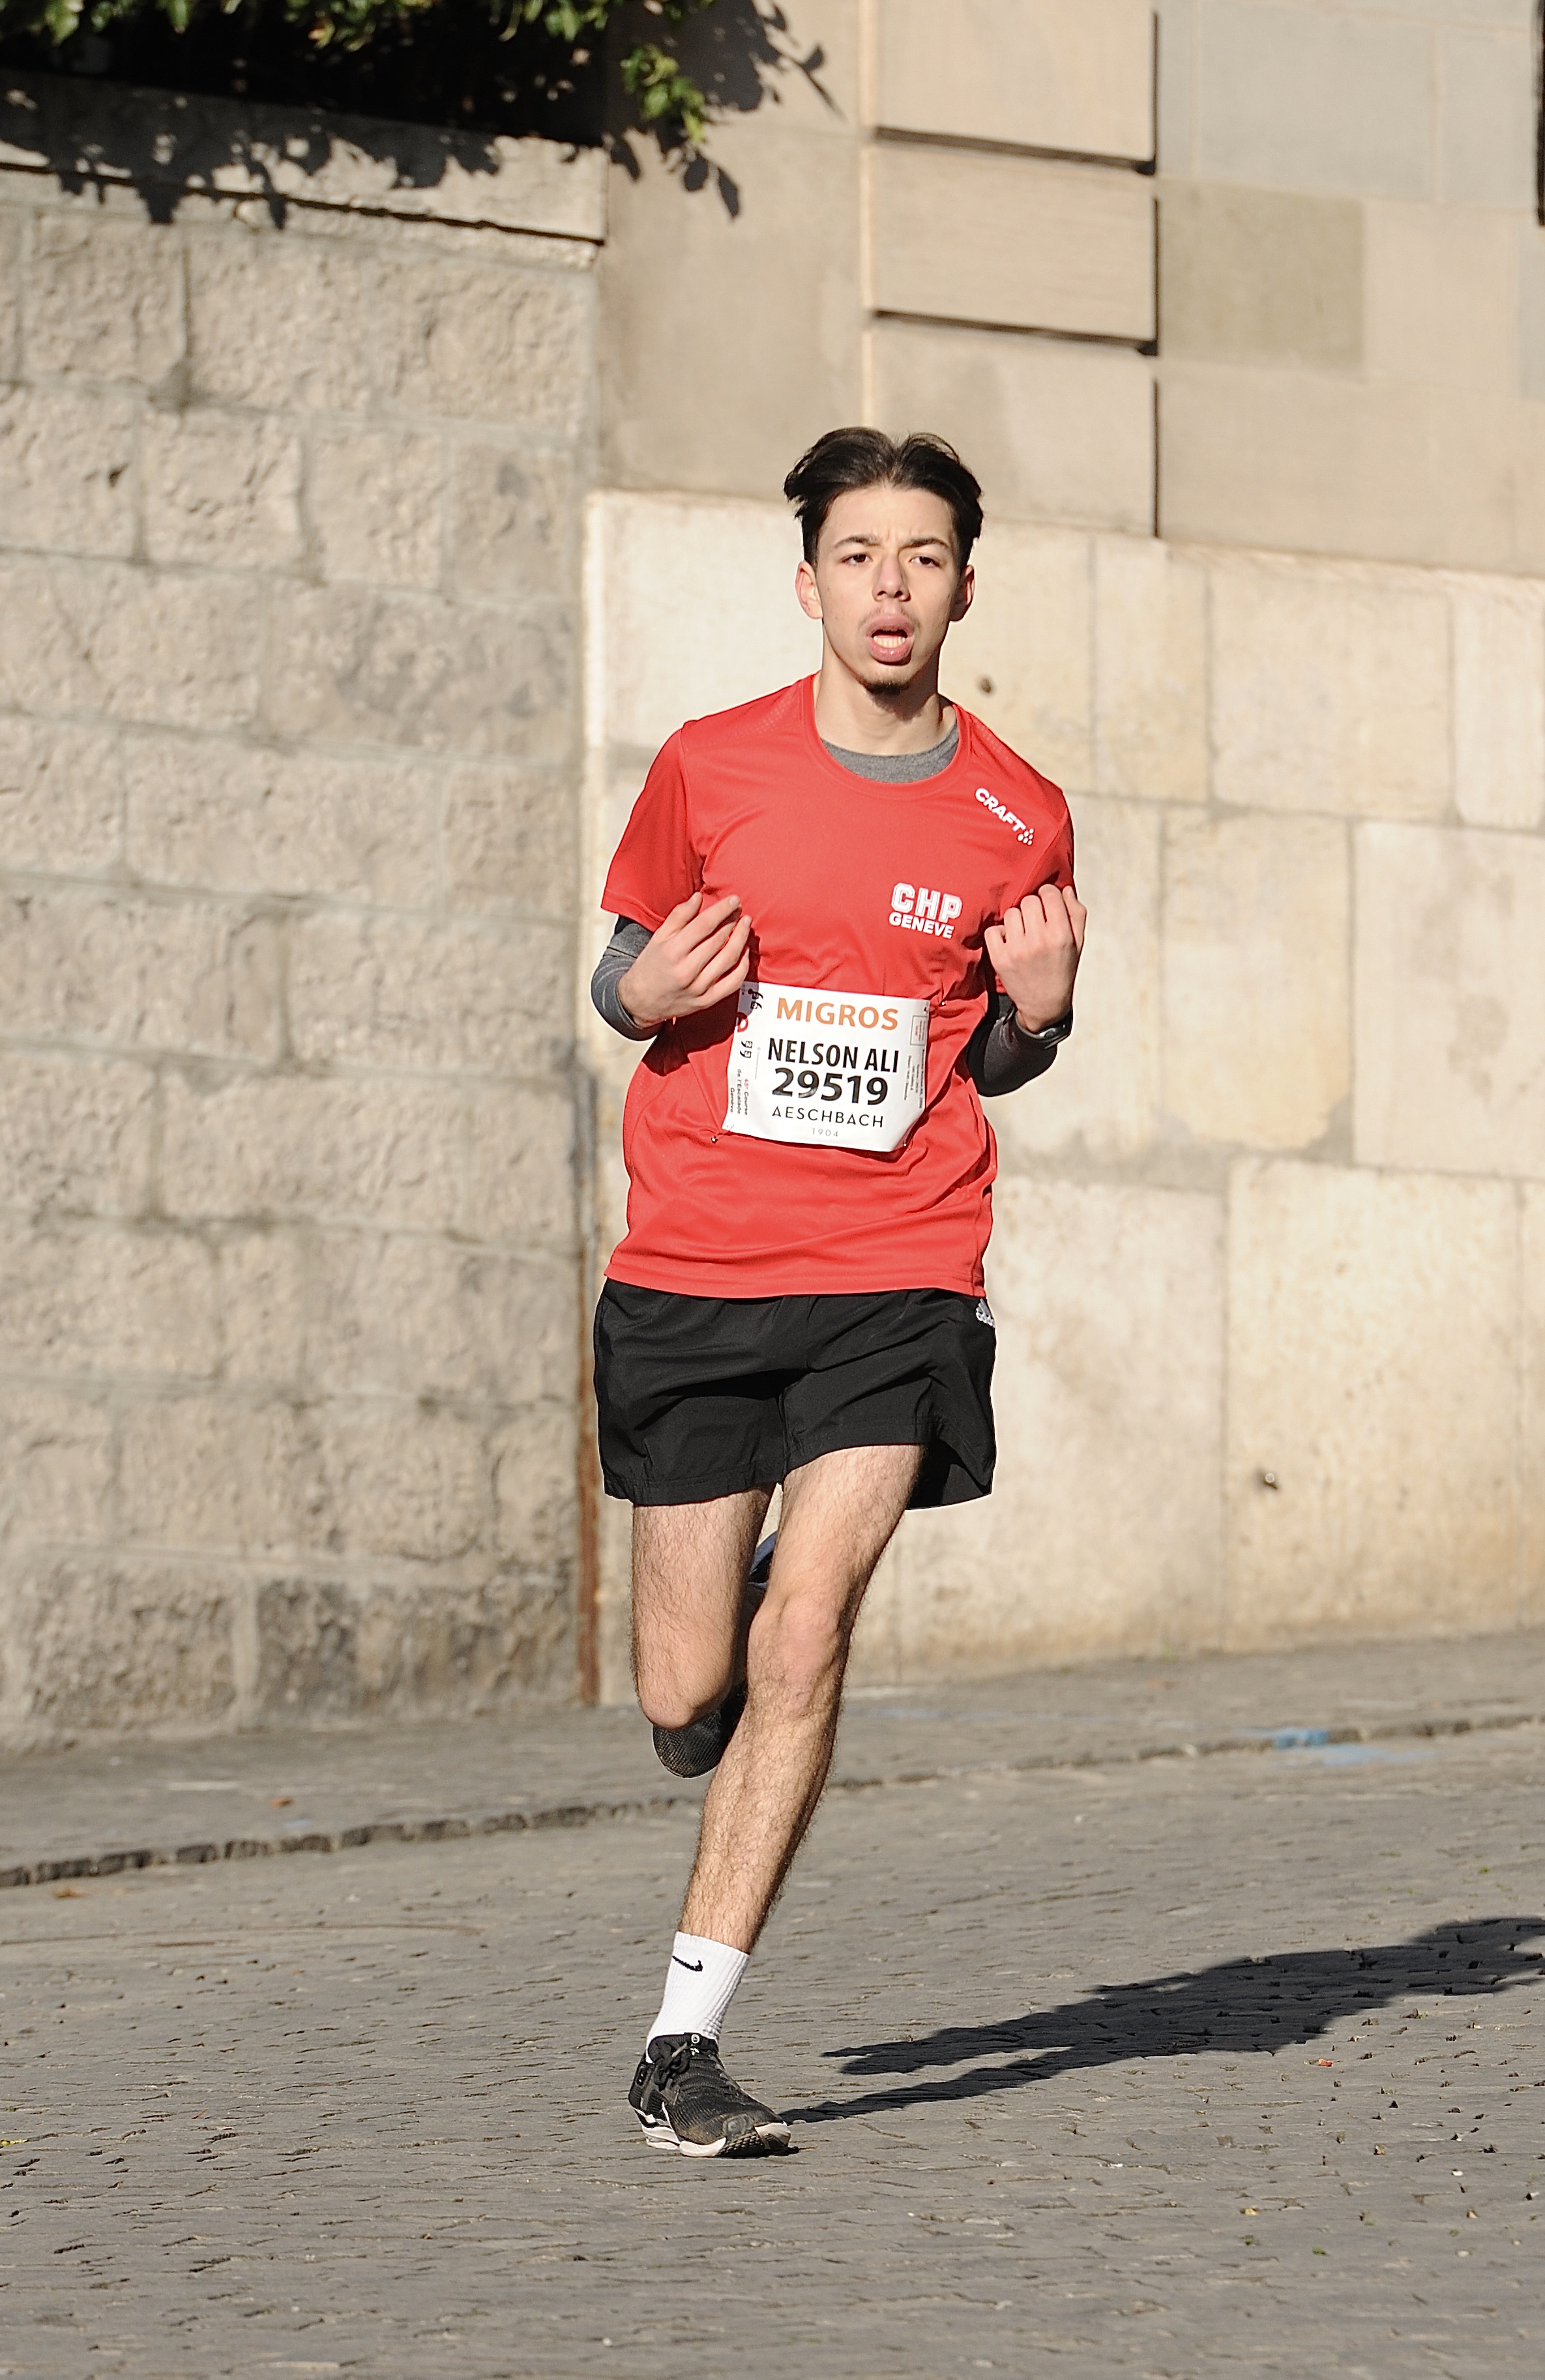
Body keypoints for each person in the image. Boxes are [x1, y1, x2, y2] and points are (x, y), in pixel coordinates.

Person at [589, 427, 1086, 2156]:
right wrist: (643, 992)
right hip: (698, 1264)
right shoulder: (708, 765)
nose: (892, 587)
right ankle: (718, 1644)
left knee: (806, 1634)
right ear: (808, 585)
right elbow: (620, 970)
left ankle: (684, 2041)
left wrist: (1040, 1015)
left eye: (923, 557)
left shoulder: (1019, 812)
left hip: (897, 1265)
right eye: (860, 555)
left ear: (964, 587)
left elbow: (994, 1051)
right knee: (684, 1696)